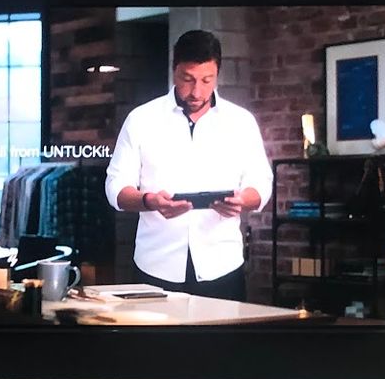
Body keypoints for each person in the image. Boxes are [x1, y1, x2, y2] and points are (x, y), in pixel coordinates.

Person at [103, 28, 274, 301]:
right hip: (156, 266)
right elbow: (116, 187)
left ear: (217, 74)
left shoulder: (241, 122)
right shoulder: (141, 120)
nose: (197, 91)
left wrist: (242, 201)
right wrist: (150, 201)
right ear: (174, 71)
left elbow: (261, 183)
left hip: (222, 266)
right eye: (188, 79)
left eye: (207, 80)